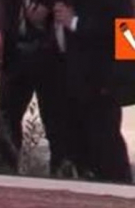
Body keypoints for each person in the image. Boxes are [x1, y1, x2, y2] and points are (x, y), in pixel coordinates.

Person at [53, 0, 133, 183]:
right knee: (74, 145)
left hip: (101, 81)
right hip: (66, 77)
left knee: (105, 144)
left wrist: (74, 22)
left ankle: (119, 192)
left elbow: (128, 35)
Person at [0, 0, 70, 176]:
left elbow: (127, 28)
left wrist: (125, 74)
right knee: (6, 117)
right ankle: (5, 171)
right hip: (16, 53)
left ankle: (114, 181)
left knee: (60, 124)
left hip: (62, 60)